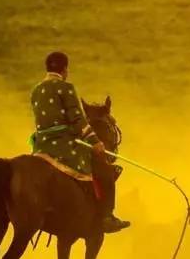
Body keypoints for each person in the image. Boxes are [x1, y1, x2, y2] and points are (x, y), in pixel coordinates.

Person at [30, 51, 130, 233]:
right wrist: (95, 142)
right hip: (64, 147)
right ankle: (107, 216)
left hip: (40, 147)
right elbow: (77, 120)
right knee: (106, 171)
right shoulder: (66, 88)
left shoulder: (36, 90)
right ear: (64, 69)